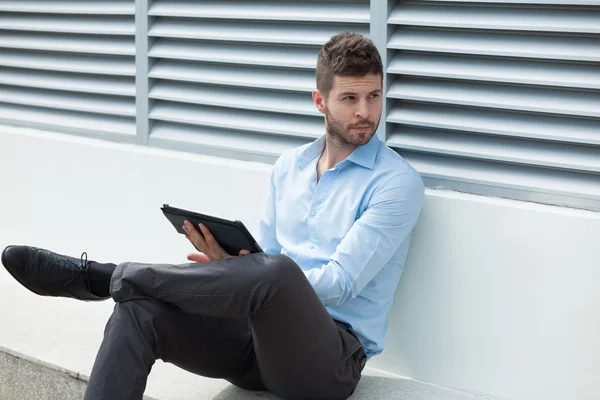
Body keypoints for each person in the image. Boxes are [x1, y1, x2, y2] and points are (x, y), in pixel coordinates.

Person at [1, 32, 424, 400]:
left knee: (275, 272)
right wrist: (233, 269)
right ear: (320, 101)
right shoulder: (289, 167)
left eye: (373, 96)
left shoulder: (396, 183)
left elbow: (338, 284)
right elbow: (266, 257)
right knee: (138, 311)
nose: (365, 112)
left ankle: (102, 276)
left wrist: (256, 274)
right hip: (256, 337)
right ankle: (124, 282)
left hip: (328, 360)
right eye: (350, 98)